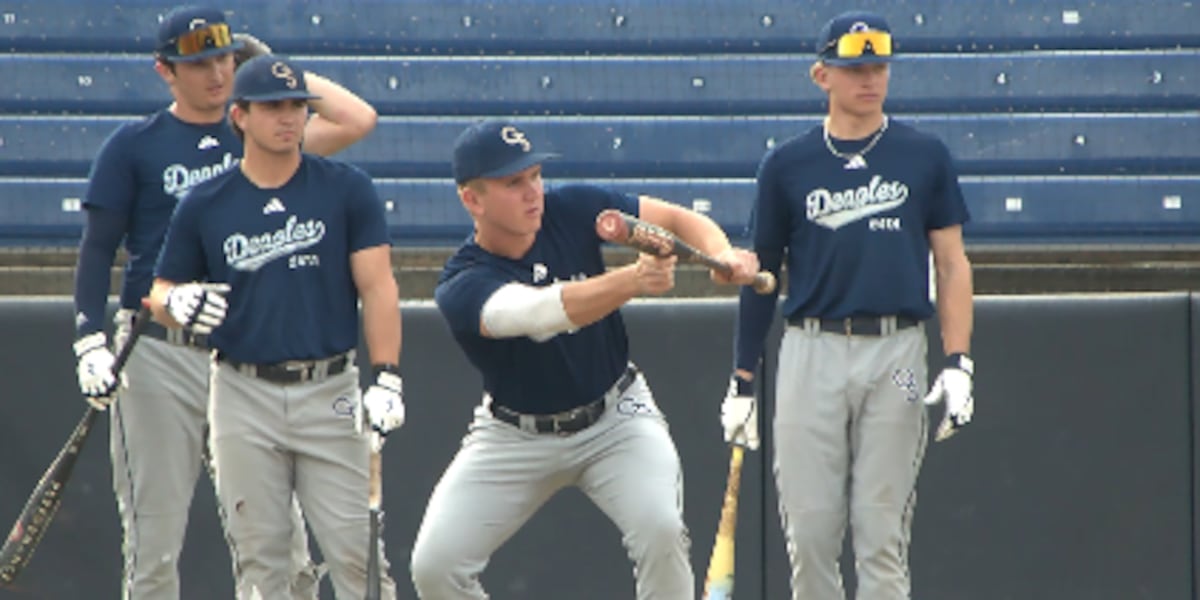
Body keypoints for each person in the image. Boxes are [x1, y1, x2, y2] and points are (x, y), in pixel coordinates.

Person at [69, 6, 377, 598]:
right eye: (199, 63)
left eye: (225, 59)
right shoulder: (135, 145)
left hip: (246, 357)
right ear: (165, 71)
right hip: (159, 349)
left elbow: (358, 118)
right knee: (154, 542)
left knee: (283, 551)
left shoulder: (263, 130)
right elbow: (98, 249)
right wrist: (88, 338)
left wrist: (277, 75)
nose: (216, 73)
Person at [408, 119, 760, 599]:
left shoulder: (572, 207)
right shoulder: (461, 284)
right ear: (473, 200)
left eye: (534, 175)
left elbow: (677, 220)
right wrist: (634, 280)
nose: (532, 191)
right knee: (435, 565)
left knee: (660, 529)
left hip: (616, 416)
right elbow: (540, 313)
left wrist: (723, 253)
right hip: (514, 434)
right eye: (513, 183)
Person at [723, 10, 976, 600]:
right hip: (811, 347)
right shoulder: (786, 165)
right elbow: (761, 274)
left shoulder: (924, 155)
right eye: (855, 67)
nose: (870, 79)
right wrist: (742, 379)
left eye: (879, 66)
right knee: (809, 532)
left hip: (898, 351)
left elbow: (953, 263)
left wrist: (959, 361)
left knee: (881, 531)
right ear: (822, 76)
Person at [146, 54, 405, 599]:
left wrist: (386, 376)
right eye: (271, 107)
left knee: (360, 559)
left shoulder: (345, 188)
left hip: (329, 388)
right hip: (241, 392)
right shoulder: (206, 202)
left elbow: (378, 286)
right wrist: (180, 301)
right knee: (262, 566)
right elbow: (160, 292)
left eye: (296, 106)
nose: (288, 118)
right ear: (239, 116)